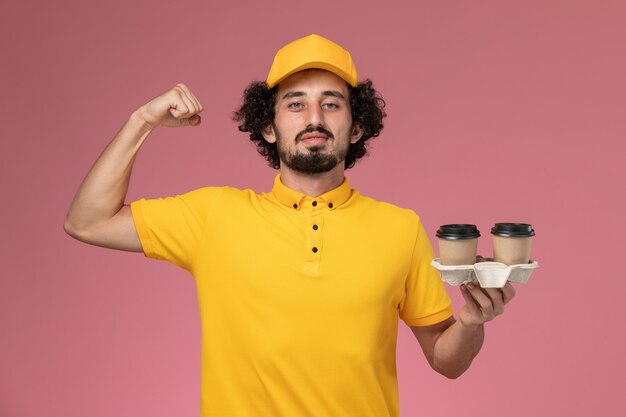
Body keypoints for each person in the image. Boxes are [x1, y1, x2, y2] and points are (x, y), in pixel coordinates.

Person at [64, 34, 516, 417]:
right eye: (296, 104)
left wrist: (473, 322)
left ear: (356, 127)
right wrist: (142, 122)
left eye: (331, 104)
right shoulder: (214, 215)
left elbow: (446, 360)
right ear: (269, 127)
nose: (314, 119)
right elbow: (88, 221)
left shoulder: (400, 227)